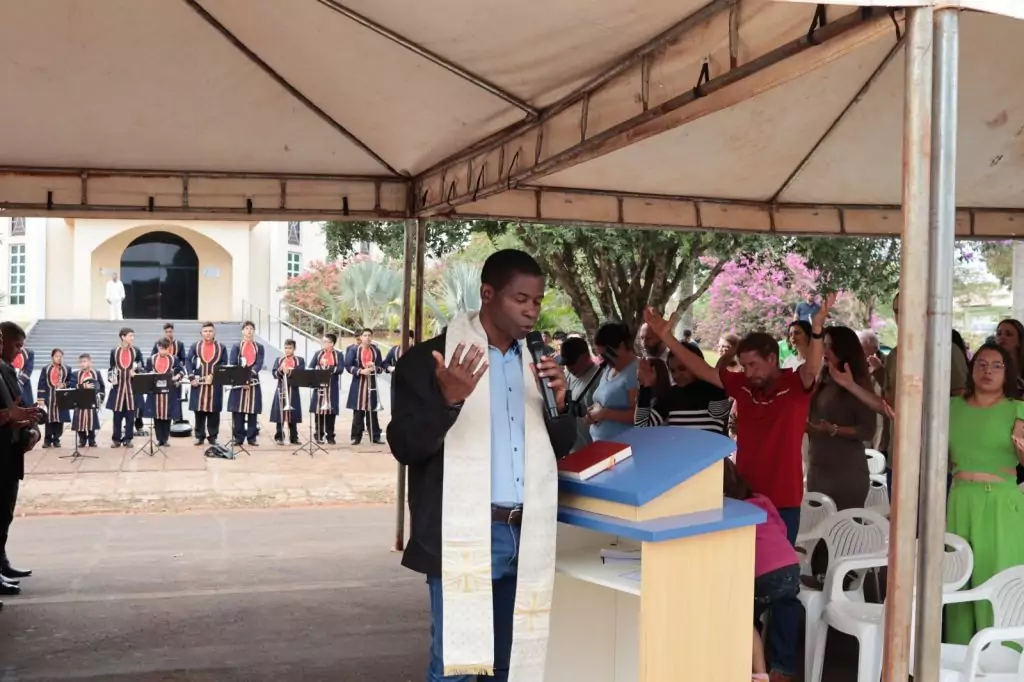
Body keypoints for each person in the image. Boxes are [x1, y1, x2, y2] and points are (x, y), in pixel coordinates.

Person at [387, 249, 575, 682]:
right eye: (521, 299)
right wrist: (447, 399)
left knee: (512, 666)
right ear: (487, 294)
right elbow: (405, 446)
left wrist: (561, 406)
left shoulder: (538, 364)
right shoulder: (430, 362)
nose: (531, 311)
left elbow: (561, 446)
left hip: (527, 532)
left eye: (538, 301)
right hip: (466, 533)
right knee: (457, 665)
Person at [644, 295, 832, 544]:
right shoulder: (742, 384)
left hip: (783, 498)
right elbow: (701, 368)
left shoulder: (796, 383)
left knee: (778, 573)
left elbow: (812, 368)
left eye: (753, 365)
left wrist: (816, 330)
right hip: (743, 495)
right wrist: (667, 337)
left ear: (772, 360)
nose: (748, 372)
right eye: (744, 366)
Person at [945, 343, 1024, 644]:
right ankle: (959, 662)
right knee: (959, 582)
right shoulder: (952, 407)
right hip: (961, 499)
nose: (987, 371)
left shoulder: (1017, 410)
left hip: (1000, 505)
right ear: (971, 368)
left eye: (996, 365)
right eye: (981, 363)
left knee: (998, 582)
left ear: (1007, 373)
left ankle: (1002, 663)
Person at [724, 458, 801, 682]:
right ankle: (783, 668)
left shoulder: (726, 510)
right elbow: (782, 529)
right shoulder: (761, 500)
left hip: (763, 574)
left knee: (743, 617)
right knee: (786, 609)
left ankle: (752, 670)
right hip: (790, 565)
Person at [806, 327, 877, 510]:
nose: (825, 351)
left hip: (846, 472)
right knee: (816, 534)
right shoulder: (821, 379)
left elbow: (867, 430)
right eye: (824, 345)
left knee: (842, 535)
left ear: (844, 350)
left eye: (831, 346)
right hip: (818, 467)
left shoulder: (857, 384)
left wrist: (834, 429)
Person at [0, 322, 43, 600]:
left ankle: (1, 565)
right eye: (15, 345)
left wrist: (26, 422)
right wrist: (10, 417)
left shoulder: (6, 370)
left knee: (5, 513)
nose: (18, 352)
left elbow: (13, 407)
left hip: (10, 450)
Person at [635, 341, 731, 435]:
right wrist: (645, 386)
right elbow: (642, 427)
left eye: (682, 368)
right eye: (672, 371)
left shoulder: (713, 388)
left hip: (710, 450)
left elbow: (719, 414)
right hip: (679, 450)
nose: (677, 375)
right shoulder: (671, 394)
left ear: (697, 365)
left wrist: (714, 378)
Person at [588, 322, 639, 442]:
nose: (604, 360)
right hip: (599, 441)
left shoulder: (636, 371)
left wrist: (605, 413)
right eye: (601, 356)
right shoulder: (608, 369)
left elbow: (637, 416)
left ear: (621, 346)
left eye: (606, 355)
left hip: (622, 444)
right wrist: (592, 413)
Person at [187, 322, 228, 446]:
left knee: (214, 411)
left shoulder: (221, 347)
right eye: (205, 331)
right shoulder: (195, 346)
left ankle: (213, 436)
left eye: (210, 331)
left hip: (214, 385)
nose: (208, 333)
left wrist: (214, 375)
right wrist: (191, 377)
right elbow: (188, 361)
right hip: (198, 384)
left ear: (214, 332)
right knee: (198, 411)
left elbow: (224, 364)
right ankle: (199, 436)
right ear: (201, 333)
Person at [560, 336, 602, 451]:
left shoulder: (600, 378)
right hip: (573, 448)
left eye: (573, 362)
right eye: (566, 364)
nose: (569, 367)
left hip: (593, 447)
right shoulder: (567, 376)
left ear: (586, 356)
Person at [345, 328, 384, 445]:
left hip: (371, 383)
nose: (367, 338)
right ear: (361, 337)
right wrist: (360, 371)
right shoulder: (353, 350)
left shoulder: (376, 351)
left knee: (372, 411)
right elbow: (347, 366)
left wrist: (374, 368)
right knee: (358, 412)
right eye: (365, 335)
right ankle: (356, 437)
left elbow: (381, 367)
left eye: (369, 335)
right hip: (358, 384)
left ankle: (375, 436)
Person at [228, 321, 264, 447]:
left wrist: (249, 377)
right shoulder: (236, 346)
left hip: (253, 381)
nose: (249, 331)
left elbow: (259, 363)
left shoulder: (259, 347)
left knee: (252, 410)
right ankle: (238, 438)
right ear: (242, 331)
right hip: (238, 381)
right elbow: (232, 363)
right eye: (247, 328)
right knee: (238, 410)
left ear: (254, 331)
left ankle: (252, 438)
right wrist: (242, 379)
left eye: (251, 328)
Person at [106, 327, 143, 449]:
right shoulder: (114, 351)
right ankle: (116, 439)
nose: (132, 338)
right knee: (117, 415)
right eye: (130, 335)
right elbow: (111, 368)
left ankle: (128, 439)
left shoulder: (136, 351)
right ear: (123, 337)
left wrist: (137, 370)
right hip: (118, 388)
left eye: (133, 336)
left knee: (130, 416)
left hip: (131, 388)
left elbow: (141, 365)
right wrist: (112, 377)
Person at [145, 339, 186, 447]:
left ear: (169, 348)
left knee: (167, 415)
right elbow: (145, 371)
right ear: (158, 347)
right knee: (157, 415)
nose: (164, 351)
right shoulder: (151, 359)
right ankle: (159, 439)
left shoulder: (174, 359)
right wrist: (149, 374)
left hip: (169, 391)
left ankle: (166, 438)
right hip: (155, 392)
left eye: (166, 349)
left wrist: (176, 377)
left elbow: (182, 371)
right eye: (161, 349)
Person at [308, 333, 344, 445]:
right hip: (319, 387)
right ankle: (318, 435)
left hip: (332, 387)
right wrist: (320, 367)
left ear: (332, 343)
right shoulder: (318, 354)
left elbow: (341, 369)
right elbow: (310, 367)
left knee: (331, 412)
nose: (324, 344)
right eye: (323, 341)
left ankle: (330, 436)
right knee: (318, 412)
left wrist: (329, 367)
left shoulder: (338, 354)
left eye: (326, 342)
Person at [152, 322, 189, 427]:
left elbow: (183, 359)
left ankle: (177, 419)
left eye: (170, 331)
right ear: (164, 332)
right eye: (166, 332)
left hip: (174, 376)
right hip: (160, 375)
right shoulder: (158, 343)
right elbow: (153, 356)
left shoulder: (179, 344)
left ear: (173, 332)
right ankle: (160, 418)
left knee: (176, 398)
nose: (169, 333)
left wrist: (176, 367)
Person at [36, 348, 72, 448]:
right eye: (56, 356)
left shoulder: (67, 369)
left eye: (60, 356)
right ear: (52, 357)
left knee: (59, 420)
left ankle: (56, 439)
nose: (59, 358)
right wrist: (41, 399)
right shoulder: (46, 369)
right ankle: (47, 440)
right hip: (49, 398)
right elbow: (41, 384)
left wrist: (64, 384)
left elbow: (71, 381)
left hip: (61, 398)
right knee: (49, 419)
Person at [270, 340, 304, 446]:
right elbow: (274, 373)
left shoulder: (300, 360)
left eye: (290, 348)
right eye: (286, 348)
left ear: (294, 349)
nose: (287, 350)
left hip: (293, 390)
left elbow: (301, 373)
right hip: (281, 389)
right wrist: (281, 370)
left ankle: (294, 437)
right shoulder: (279, 360)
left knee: (292, 414)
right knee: (280, 414)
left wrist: (289, 371)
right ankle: (279, 437)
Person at [71, 353, 105, 448]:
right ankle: (82, 440)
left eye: (85, 361)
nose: (82, 364)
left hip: (91, 401)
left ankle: (92, 440)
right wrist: (83, 386)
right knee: (79, 421)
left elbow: (101, 386)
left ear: (90, 362)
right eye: (81, 362)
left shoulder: (96, 373)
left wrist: (100, 397)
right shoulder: (75, 374)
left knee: (91, 421)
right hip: (79, 400)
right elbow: (72, 385)